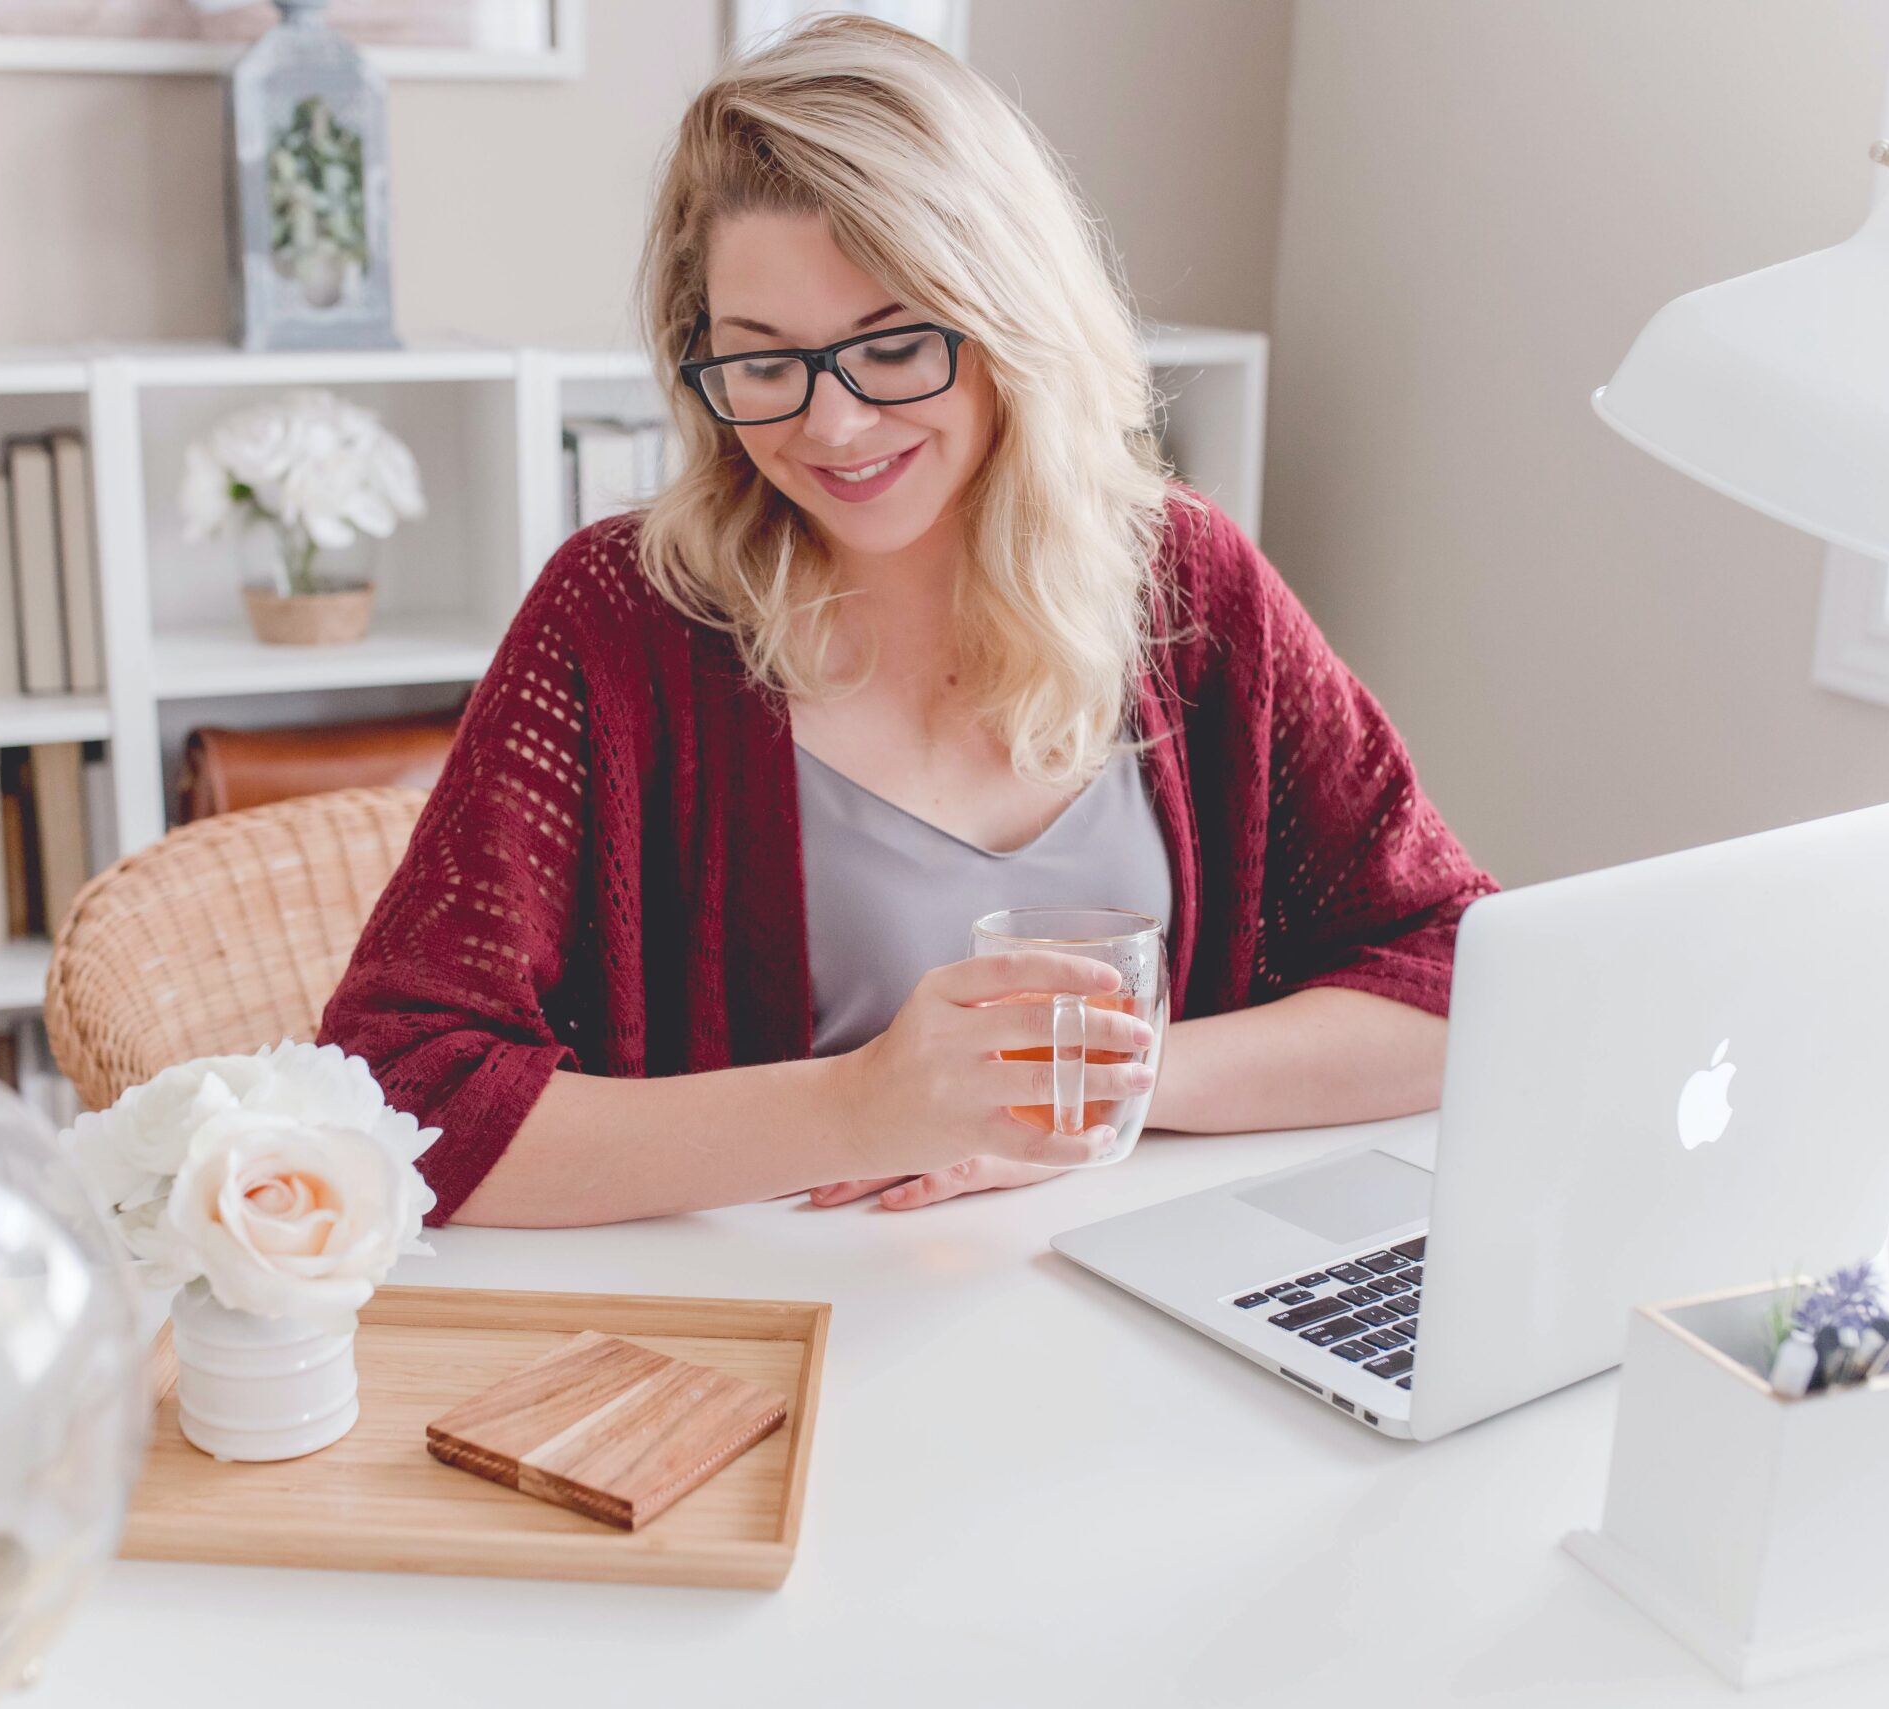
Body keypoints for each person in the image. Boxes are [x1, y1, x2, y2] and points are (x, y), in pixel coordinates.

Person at [319, 16, 1494, 1227]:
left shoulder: (1183, 583)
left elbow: (1462, 973)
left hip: (1123, 1311)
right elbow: (394, 1093)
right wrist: (862, 1105)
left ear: (1009, 322)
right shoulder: (620, 621)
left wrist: (1093, 1091)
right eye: (762, 360)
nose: (830, 427)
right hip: (772, 1343)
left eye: (892, 344)